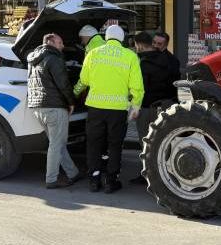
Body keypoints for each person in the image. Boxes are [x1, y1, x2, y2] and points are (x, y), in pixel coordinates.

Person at [74, 25, 144, 193]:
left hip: (95, 108)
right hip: (118, 110)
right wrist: (136, 106)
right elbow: (137, 86)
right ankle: (111, 181)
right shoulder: (130, 56)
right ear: (122, 39)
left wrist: (73, 93)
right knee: (114, 145)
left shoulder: (93, 53)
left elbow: (84, 80)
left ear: (106, 37)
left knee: (94, 145)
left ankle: (94, 180)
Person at [27, 33, 84, 189]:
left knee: (58, 143)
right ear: (51, 43)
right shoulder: (54, 58)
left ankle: (73, 173)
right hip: (54, 107)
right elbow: (63, 84)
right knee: (56, 144)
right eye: (60, 42)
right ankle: (51, 179)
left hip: (37, 106)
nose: (63, 46)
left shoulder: (33, 59)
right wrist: (71, 102)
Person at [131, 32, 177, 184]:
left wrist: (135, 106)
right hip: (165, 105)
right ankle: (164, 172)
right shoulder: (170, 61)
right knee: (163, 142)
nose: (157, 46)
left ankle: (149, 174)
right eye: (155, 43)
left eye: (160, 44)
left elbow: (141, 88)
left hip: (149, 107)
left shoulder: (143, 62)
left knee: (145, 141)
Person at [153, 31, 181, 97]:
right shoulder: (149, 56)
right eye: (154, 42)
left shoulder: (172, 60)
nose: (155, 45)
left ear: (166, 44)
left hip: (164, 98)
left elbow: (173, 83)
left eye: (159, 44)